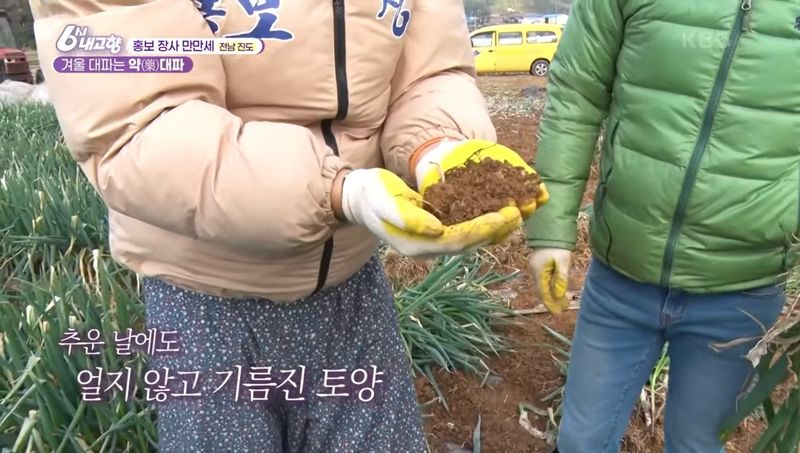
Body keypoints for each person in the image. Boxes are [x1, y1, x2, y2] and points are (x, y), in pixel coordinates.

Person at [30, 0, 548, 451]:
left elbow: (428, 69)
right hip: (205, 297)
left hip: (352, 285)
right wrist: (335, 189)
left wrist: (436, 146)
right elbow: (136, 120)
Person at [526, 0, 795, 451]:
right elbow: (577, 93)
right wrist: (550, 229)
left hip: (741, 290)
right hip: (620, 279)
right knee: (581, 442)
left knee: (697, 443)